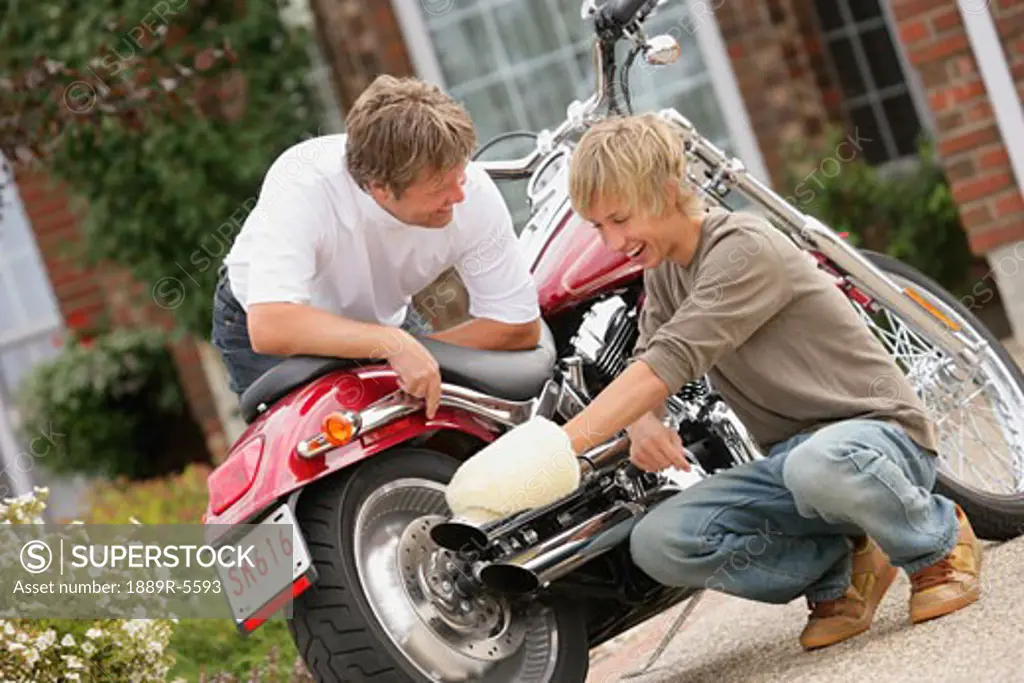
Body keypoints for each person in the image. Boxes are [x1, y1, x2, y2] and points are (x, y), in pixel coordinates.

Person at [444, 113, 982, 650]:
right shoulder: (664, 271)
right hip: (792, 466)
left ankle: (936, 541)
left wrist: (554, 452)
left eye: (620, 219)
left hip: (876, 435)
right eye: (599, 228)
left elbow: (669, 361)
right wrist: (642, 419)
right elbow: (646, 354)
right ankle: (840, 569)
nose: (612, 241)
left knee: (821, 464)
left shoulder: (743, 247)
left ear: (669, 190)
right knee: (660, 542)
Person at [211, 75, 542, 416]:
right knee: (317, 454)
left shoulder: (471, 193)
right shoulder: (304, 184)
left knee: (433, 434)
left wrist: (410, 351)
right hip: (269, 323)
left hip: (383, 319)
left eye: (460, 176)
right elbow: (272, 325)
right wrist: (392, 346)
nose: (459, 196)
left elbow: (517, 326)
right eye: (439, 188)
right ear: (380, 188)